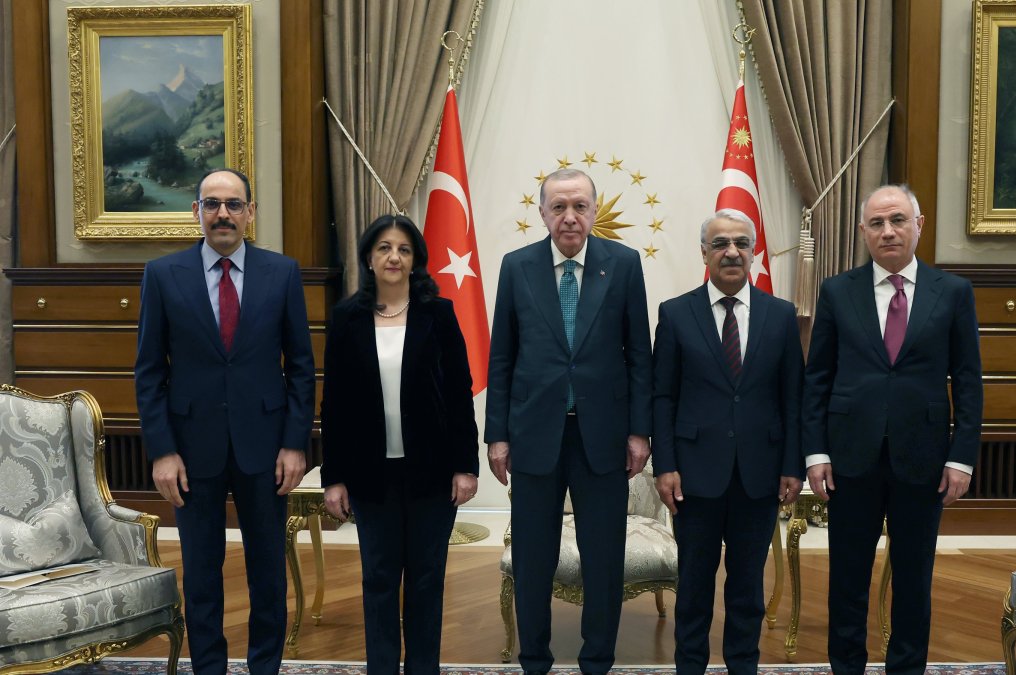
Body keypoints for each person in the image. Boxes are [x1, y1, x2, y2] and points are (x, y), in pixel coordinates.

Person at [134, 167, 315, 675]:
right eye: (211, 204)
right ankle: (208, 668)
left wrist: (295, 443)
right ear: (196, 211)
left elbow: (301, 366)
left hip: (267, 447)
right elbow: (149, 372)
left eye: (234, 204)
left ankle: (265, 667)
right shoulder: (163, 275)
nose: (222, 214)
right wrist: (162, 451)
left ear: (250, 213)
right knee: (201, 574)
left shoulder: (282, 273)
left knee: (268, 573)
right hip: (191, 450)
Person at [802, 184, 983, 675]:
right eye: (877, 223)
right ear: (863, 231)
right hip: (849, 457)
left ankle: (906, 668)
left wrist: (961, 457)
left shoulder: (953, 293)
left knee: (913, 578)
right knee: (847, 578)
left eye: (898, 220)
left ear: (918, 225)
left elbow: (968, 381)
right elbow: (817, 378)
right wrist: (816, 453)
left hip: (924, 458)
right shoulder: (837, 291)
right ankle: (846, 667)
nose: (888, 231)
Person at [484, 168, 653, 674]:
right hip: (534, 434)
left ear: (594, 211)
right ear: (542, 213)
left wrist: (639, 431)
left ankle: (597, 659)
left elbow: (639, 355)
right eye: (558, 207)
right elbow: (502, 358)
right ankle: (534, 659)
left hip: (603, 435)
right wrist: (497, 436)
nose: (570, 217)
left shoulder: (623, 264)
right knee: (533, 557)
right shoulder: (517, 267)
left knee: (603, 556)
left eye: (579, 206)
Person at [320, 214, 479, 673]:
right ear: (369, 258)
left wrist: (465, 466)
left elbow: (459, 393)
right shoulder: (346, 317)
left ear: (416, 261)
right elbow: (335, 404)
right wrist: (334, 477)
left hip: (432, 472)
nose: (394, 257)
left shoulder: (438, 314)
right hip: (370, 475)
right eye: (385, 248)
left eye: (404, 249)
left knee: (427, 580)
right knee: (379, 579)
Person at [651, 209, 804, 675]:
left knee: (747, 589)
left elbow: (793, 398)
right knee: (693, 588)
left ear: (754, 252)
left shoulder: (781, 315)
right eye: (720, 244)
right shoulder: (676, 313)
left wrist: (792, 465)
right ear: (704, 253)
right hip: (693, 476)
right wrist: (665, 465)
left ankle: (743, 665)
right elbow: (663, 396)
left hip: (760, 474)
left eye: (741, 243)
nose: (732, 252)